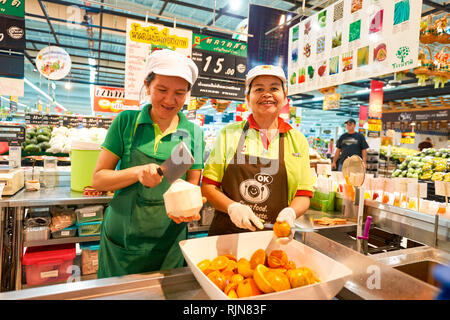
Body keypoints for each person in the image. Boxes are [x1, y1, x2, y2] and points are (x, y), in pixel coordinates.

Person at [92, 49, 205, 278]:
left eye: (180, 93)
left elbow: (194, 189)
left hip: (170, 242)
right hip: (122, 241)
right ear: (147, 85)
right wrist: (137, 172)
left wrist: (193, 209)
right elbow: (98, 179)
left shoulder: (194, 133)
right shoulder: (126, 122)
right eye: (162, 90)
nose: (170, 100)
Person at [201, 65, 314, 238]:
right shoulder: (228, 134)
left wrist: (291, 212)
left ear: (285, 96)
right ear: (248, 97)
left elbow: (303, 193)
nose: (267, 94)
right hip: (227, 236)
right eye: (259, 89)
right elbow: (208, 186)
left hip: (274, 238)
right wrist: (232, 207)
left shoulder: (297, 140)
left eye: (274, 88)